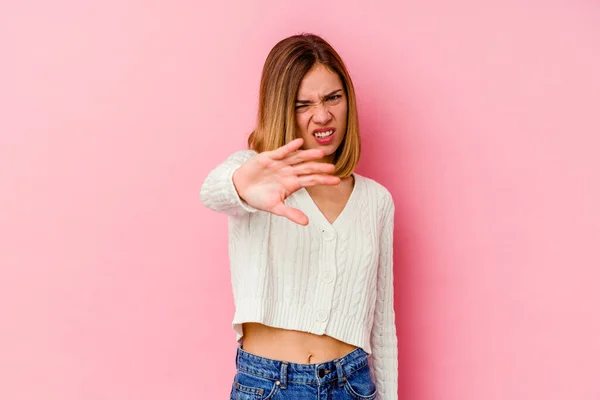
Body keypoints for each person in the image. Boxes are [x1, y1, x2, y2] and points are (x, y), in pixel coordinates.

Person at [200, 33, 398, 400]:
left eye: (333, 98)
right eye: (302, 104)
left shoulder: (376, 200)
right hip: (268, 385)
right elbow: (212, 192)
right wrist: (242, 185)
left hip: (352, 386)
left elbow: (381, 327)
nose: (322, 116)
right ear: (281, 108)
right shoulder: (255, 174)